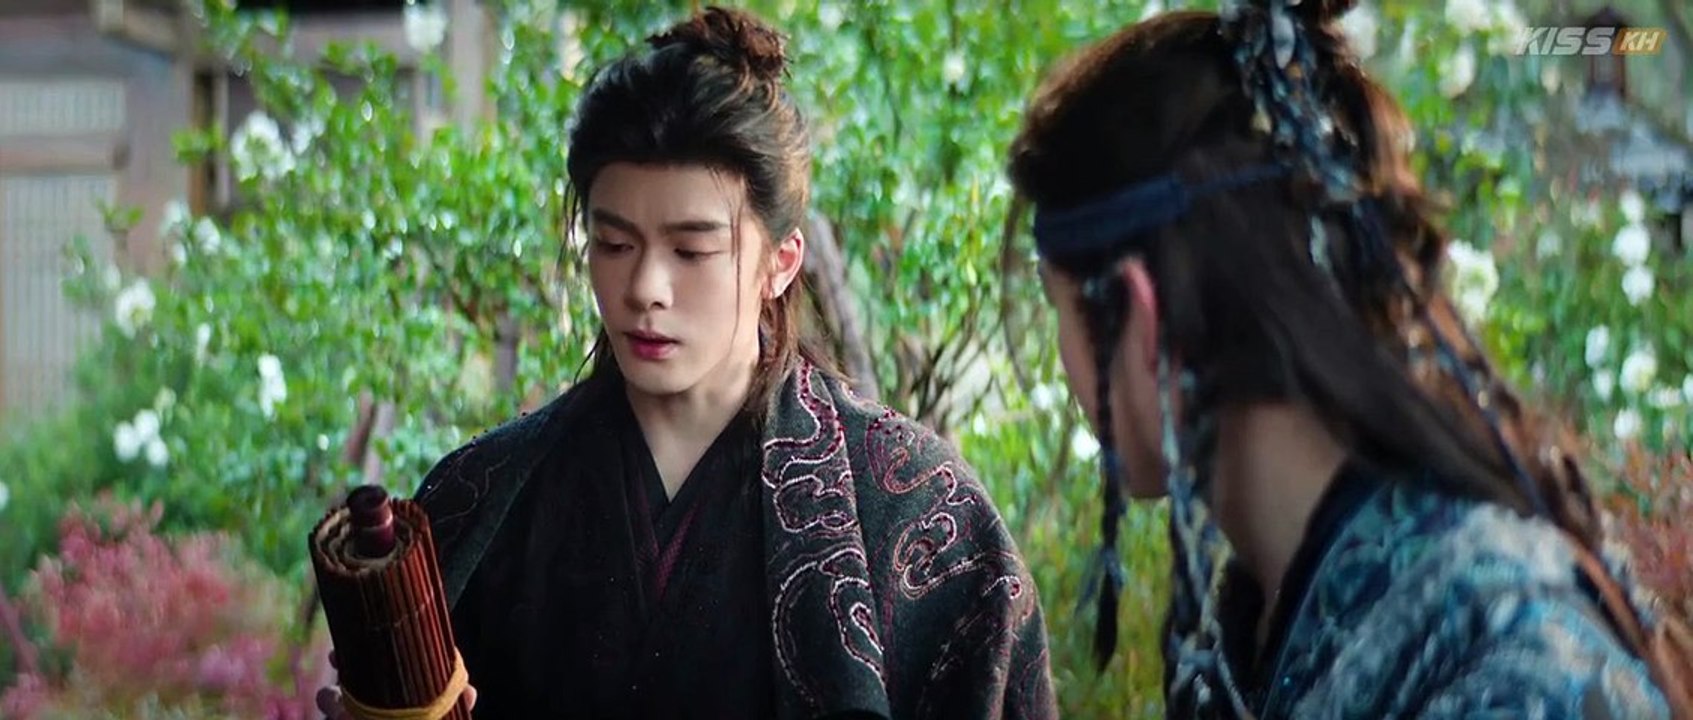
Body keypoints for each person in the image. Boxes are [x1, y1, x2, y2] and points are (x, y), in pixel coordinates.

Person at [317, 6, 1056, 719]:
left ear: (780, 262)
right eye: (614, 244)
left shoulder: (919, 514)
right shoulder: (481, 501)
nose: (645, 287)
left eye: (692, 250)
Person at [1005, 0, 1692, 718]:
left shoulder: (1514, 672)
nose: (1059, 361)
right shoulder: (1275, 618)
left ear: (1143, 320)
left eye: (1057, 307)